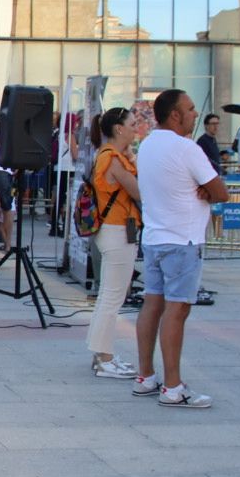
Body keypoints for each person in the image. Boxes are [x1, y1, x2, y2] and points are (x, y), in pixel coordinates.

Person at [134, 89, 229, 409]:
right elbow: (220, 192)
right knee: (177, 311)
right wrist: (204, 188)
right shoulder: (187, 148)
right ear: (174, 114)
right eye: (189, 109)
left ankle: (146, 375)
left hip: (155, 237)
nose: (194, 114)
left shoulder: (146, 145)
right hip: (183, 240)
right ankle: (173, 386)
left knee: (152, 305)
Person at [86, 107, 143, 380]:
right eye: (132, 124)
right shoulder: (113, 159)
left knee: (109, 296)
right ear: (119, 128)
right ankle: (104, 358)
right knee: (112, 297)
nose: (136, 129)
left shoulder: (110, 156)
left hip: (116, 229)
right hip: (118, 230)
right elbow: (139, 190)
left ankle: (102, 354)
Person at [196, 113, 224, 177]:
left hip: (215, 175)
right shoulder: (202, 141)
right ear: (206, 126)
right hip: (207, 176)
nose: (216, 126)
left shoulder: (213, 139)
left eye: (217, 123)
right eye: (213, 124)